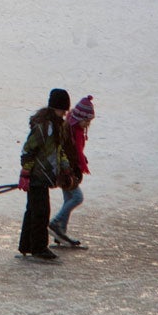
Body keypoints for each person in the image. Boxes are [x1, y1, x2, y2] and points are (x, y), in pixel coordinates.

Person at [18, 88, 72, 262]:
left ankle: (27, 245)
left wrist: (65, 168)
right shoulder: (45, 127)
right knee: (41, 211)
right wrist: (26, 174)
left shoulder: (57, 126)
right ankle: (39, 247)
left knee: (33, 210)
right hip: (37, 175)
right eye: (62, 109)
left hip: (45, 175)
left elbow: (58, 150)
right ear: (53, 107)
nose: (64, 113)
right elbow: (28, 149)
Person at [50, 95, 95, 248]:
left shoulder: (76, 130)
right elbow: (66, 150)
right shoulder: (69, 130)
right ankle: (56, 223)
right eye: (86, 120)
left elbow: (76, 150)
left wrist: (82, 158)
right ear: (78, 118)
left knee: (68, 199)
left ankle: (61, 233)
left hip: (70, 169)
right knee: (77, 197)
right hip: (66, 170)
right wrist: (69, 167)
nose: (88, 124)